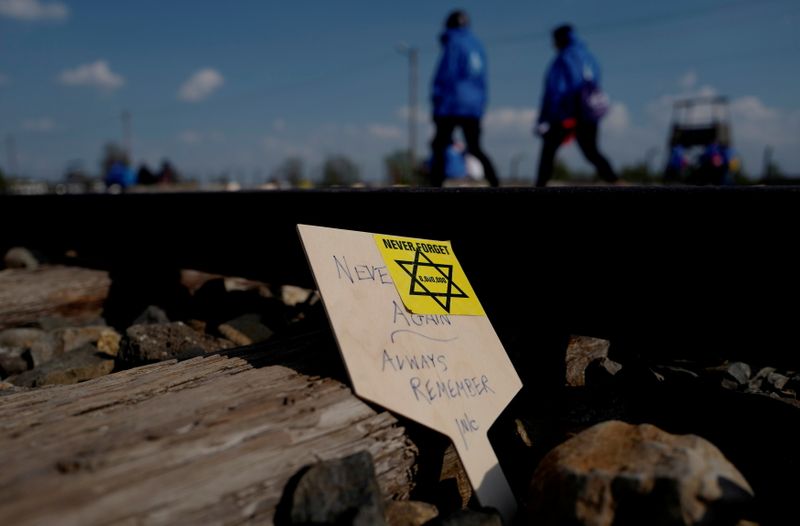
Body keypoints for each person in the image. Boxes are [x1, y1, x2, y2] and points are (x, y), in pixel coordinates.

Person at [534, 24, 619, 187]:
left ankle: (540, 185)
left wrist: (545, 117)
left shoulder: (563, 59)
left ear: (559, 40)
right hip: (589, 111)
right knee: (591, 151)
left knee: (548, 150)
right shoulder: (588, 56)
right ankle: (615, 180)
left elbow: (555, 89)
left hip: (566, 113)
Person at [429, 9, 499, 187]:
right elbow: (482, 80)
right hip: (473, 106)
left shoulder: (453, 42)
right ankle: (496, 184)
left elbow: (447, 75)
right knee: (475, 147)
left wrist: (437, 101)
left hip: (452, 104)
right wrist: (480, 104)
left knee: (439, 146)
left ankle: (435, 185)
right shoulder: (477, 45)